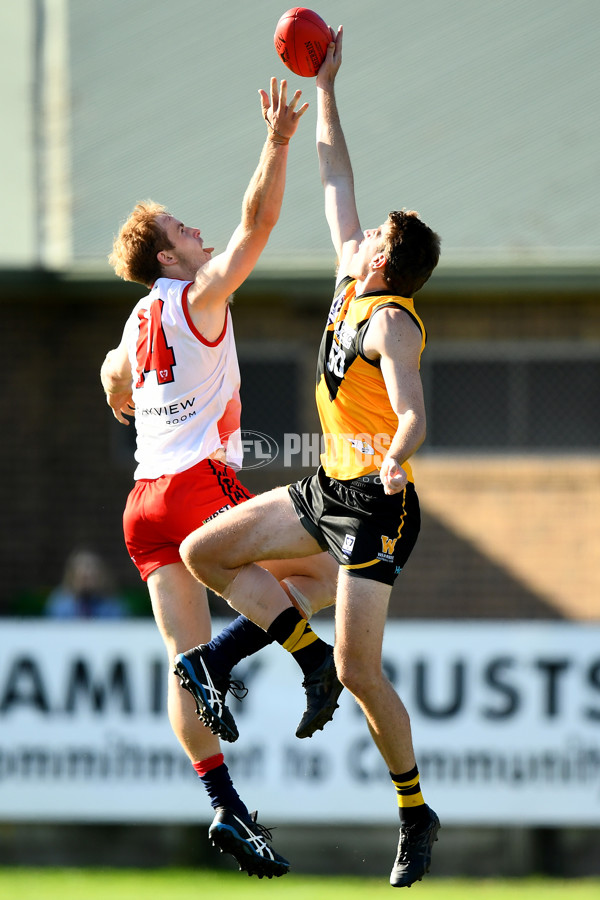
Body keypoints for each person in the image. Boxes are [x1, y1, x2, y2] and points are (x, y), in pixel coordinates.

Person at [177, 29, 442, 889]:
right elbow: (335, 174)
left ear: (385, 262)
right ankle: (300, 654)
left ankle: (414, 812)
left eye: (374, 235)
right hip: (327, 488)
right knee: (206, 552)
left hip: (376, 504)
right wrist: (325, 87)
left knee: (366, 668)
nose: (359, 233)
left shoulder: (389, 319)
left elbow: (410, 411)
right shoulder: (347, 275)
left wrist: (397, 456)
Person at [100, 77, 340, 879]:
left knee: (184, 653)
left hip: (142, 505)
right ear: (169, 257)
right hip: (197, 486)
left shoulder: (137, 319)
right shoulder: (199, 296)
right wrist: (276, 140)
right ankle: (309, 662)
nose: (196, 230)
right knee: (324, 567)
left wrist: (123, 399)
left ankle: (225, 807)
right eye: (181, 228)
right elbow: (257, 223)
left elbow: (112, 378)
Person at [46, 548, 127, 619]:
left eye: (92, 573)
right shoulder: (59, 604)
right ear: (72, 575)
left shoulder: (112, 606)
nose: (87, 574)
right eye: (83, 576)